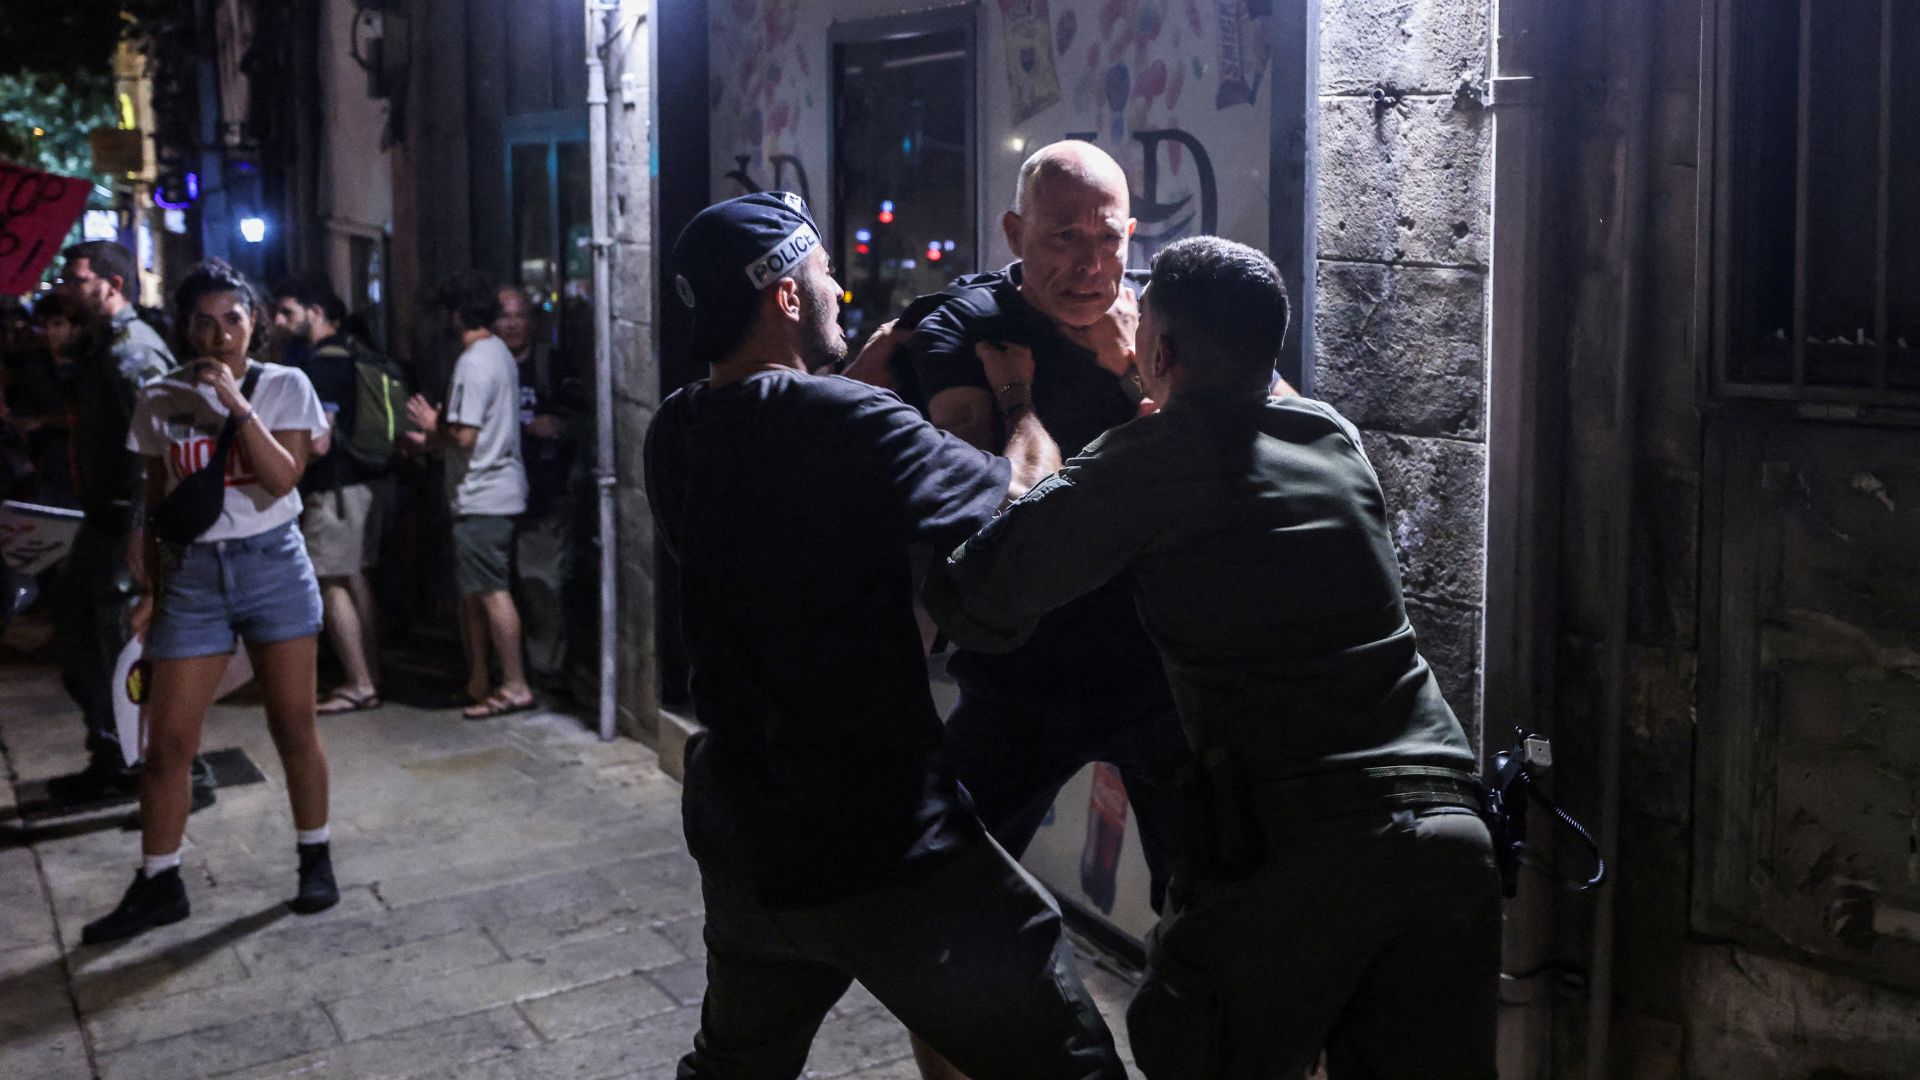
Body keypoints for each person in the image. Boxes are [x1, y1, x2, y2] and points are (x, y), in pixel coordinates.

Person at [925, 236, 1500, 1079]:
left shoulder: (1151, 461)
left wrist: (1017, 408)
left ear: (1157, 348)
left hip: (1292, 848)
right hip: (1449, 835)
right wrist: (1144, 380)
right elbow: (1228, 433)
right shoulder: (1332, 436)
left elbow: (984, 590)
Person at [646, 192, 1125, 1080]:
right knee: (1070, 1062)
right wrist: (1020, 400)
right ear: (786, 296)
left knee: (734, 1067)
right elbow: (1024, 503)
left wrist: (846, 396)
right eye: (825, 275)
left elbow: (786, 502)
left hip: (746, 835)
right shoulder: (846, 424)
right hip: (880, 840)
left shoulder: (677, 427)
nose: (839, 294)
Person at [848, 140, 1188, 912]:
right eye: (1062, 237)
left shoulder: (1161, 318)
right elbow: (999, 506)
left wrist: (1134, 370)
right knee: (940, 892)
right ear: (1013, 233)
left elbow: (1254, 443)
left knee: (1207, 909)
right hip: (1027, 665)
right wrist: (1021, 399)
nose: (1090, 265)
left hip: (1159, 661)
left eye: (1108, 239)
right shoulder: (969, 327)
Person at [83, 258, 340, 944]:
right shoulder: (159, 397)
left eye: (233, 318)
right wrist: (151, 589)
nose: (220, 333)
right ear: (186, 328)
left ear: (254, 323)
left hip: (272, 567)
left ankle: (315, 856)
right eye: (205, 321)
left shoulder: (287, 386)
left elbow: (282, 478)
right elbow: (159, 497)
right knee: (166, 742)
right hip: (194, 576)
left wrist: (236, 404)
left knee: (293, 725)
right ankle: (158, 880)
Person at [44, 242, 214, 811]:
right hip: (103, 519)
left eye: (76, 278)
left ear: (111, 284)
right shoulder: (103, 350)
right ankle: (115, 757)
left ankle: (180, 765)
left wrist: (146, 540)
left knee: (128, 650)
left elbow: (162, 447)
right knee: (84, 640)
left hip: (126, 522)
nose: (64, 288)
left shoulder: (133, 353)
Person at [405, 273, 533, 719]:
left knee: (492, 592)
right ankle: (479, 679)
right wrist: (432, 438)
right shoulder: (497, 354)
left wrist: (430, 424)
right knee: (476, 594)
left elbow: (464, 435)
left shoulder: (475, 361)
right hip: (489, 491)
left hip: (484, 494)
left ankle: (514, 683)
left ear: (456, 315)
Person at [271, 278, 385, 714]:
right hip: (362, 483)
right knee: (355, 577)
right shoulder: (354, 353)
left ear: (314, 312)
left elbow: (319, 441)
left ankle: (358, 682)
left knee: (329, 579)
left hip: (335, 488)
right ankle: (370, 673)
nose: (281, 322)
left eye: (288, 313)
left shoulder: (323, 366)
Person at [494, 285, 586, 700]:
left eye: (519, 315)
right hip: (496, 494)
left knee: (540, 582)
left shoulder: (551, 366)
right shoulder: (485, 365)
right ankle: (511, 668)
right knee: (500, 587)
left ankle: (545, 670)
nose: (511, 324)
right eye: (504, 316)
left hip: (543, 494)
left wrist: (559, 428)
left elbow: (586, 419)